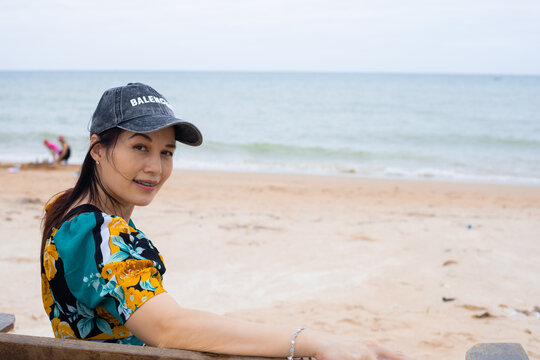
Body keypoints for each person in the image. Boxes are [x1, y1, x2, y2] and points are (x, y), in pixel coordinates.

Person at [40, 82, 413, 360]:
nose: (155, 167)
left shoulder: (65, 209)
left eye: (166, 152)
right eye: (140, 147)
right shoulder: (100, 233)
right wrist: (312, 340)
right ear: (97, 150)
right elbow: (168, 328)